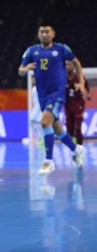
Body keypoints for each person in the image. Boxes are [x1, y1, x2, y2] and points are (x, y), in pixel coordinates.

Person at [18, 23, 85, 175]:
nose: (44, 34)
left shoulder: (62, 49)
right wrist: (26, 69)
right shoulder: (31, 50)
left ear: (53, 33)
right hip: (43, 95)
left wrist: (80, 81)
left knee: (44, 122)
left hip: (57, 94)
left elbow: (76, 63)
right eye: (41, 32)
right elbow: (20, 71)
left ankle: (48, 161)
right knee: (58, 129)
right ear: (38, 34)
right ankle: (76, 149)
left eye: (47, 32)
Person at [65, 60, 91, 145]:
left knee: (77, 127)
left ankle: (80, 146)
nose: (67, 66)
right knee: (69, 130)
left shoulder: (79, 77)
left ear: (73, 66)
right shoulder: (63, 79)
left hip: (78, 106)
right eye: (66, 65)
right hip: (68, 107)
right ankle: (73, 145)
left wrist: (89, 95)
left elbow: (88, 88)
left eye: (69, 64)